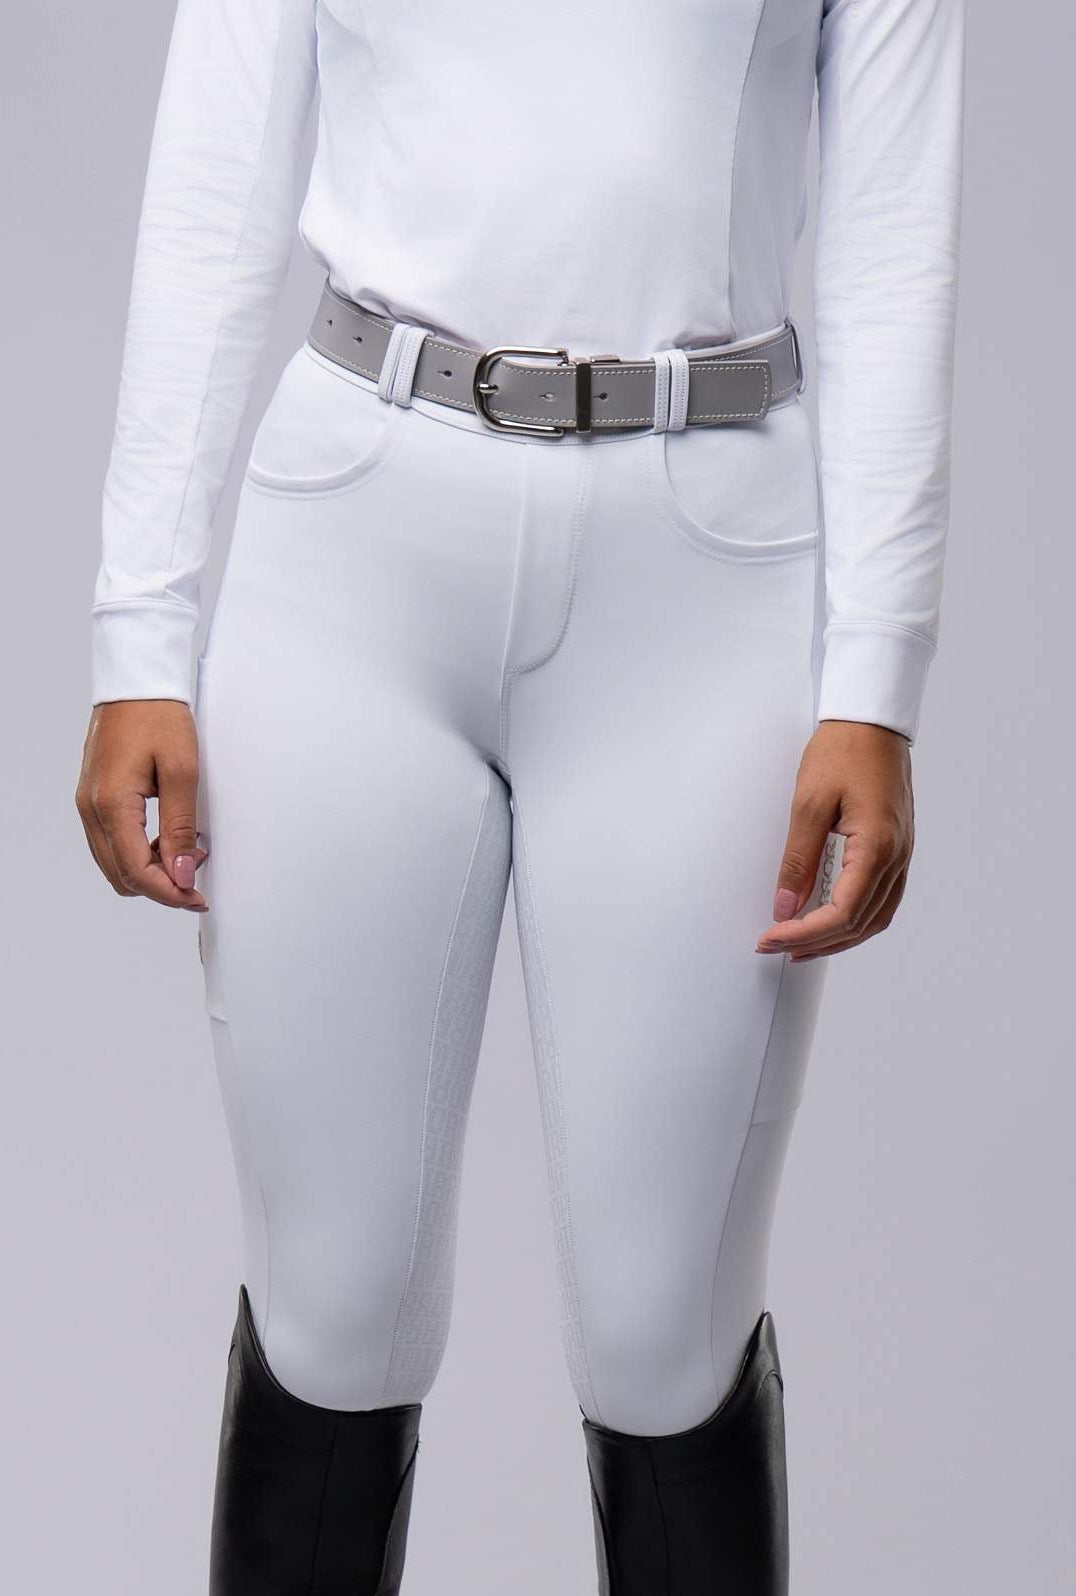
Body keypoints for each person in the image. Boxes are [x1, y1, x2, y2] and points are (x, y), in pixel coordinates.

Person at [75, 1, 966, 1591]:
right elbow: (217, 179)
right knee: (334, 1307)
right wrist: (139, 632)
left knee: (662, 1337)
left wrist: (875, 683)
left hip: (705, 585)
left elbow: (892, 244)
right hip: (352, 556)